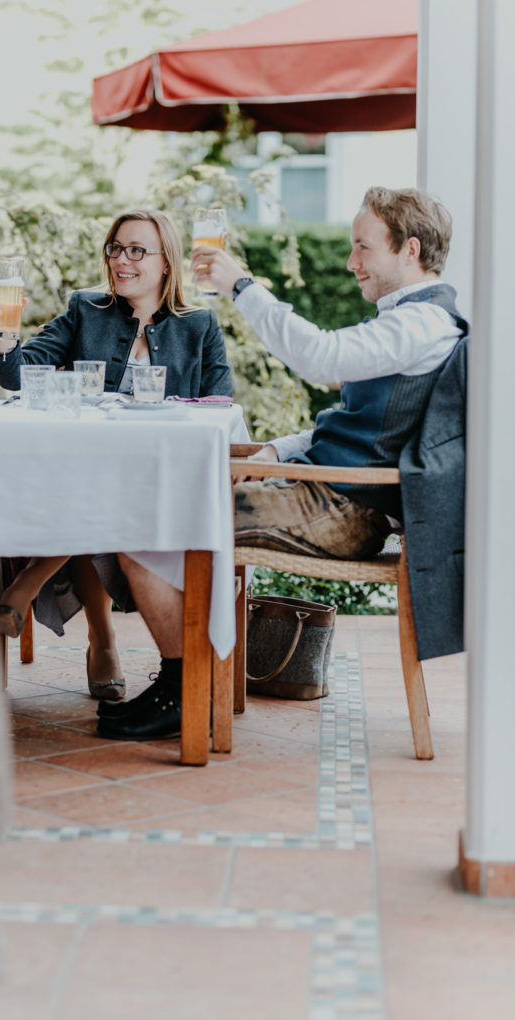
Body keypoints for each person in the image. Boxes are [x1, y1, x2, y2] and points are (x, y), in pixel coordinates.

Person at [96, 185, 468, 740]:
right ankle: (192, 681)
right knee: (156, 510)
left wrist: (241, 286)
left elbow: (319, 358)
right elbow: (360, 421)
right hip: (326, 496)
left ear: (409, 249)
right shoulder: (412, 320)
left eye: (363, 247)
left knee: (141, 519)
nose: (352, 262)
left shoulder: (420, 325)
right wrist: (280, 449)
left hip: (338, 508)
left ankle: (183, 689)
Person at [0, 208, 233, 701]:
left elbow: (219, 406)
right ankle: (102, 636)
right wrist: (5, 335)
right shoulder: (86, 309)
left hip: (163, 475)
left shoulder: (199, 325)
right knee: (94, 484)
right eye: (116, 248)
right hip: (85, 470)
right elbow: (19, 376)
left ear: (167, 262)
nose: (121, 260)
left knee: (103, 490)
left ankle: (33, 582)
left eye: (137, 250)